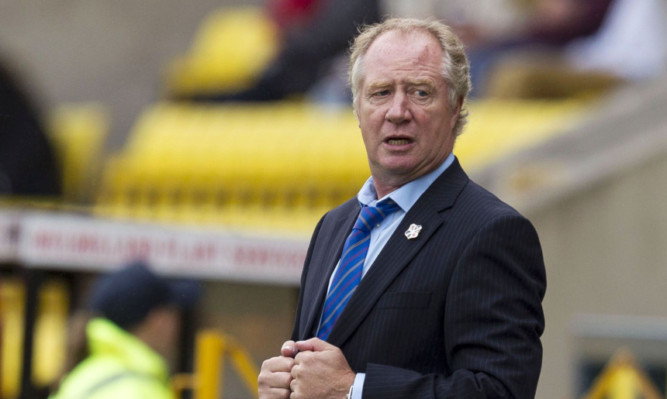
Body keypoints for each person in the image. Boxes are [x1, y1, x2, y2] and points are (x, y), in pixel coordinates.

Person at [258, 17, 546, 399]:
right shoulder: (334, 225)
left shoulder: (492, 232)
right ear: (357, 108)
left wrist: (353, 390)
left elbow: (500, 391)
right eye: (380, 93)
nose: (397, 111)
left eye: (420, 92)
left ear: (456, 106)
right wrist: (285, 384)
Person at [49, 262, 200, 399]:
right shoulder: (139, 390)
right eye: (173, 313)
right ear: (156, 319)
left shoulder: (83, 377)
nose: (177, 325)